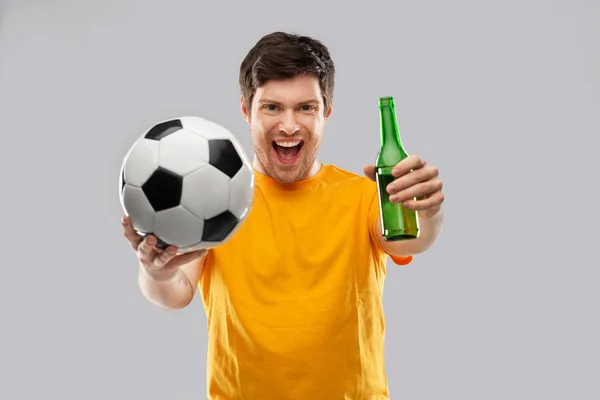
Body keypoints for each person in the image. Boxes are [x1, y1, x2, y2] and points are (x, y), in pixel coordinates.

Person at [121, 31, 445, 400]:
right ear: (246, 109)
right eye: (272, 107)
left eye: (306, 108)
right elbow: (174, 293)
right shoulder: (211, 200)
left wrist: (430, 210)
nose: (289, 126)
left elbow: (412, 239)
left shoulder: (362, 196)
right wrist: (155, 270)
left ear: (326, 112)